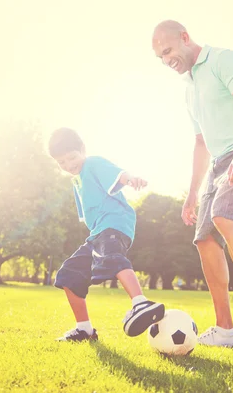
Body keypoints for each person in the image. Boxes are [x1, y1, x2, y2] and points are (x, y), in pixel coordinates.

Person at [151, 20, 233, 347]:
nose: (167, 60)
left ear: (184, 37)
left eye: (167, 51)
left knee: (224, 216)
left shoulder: (224, 59)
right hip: (220, 161)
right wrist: (191, 194)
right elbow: (200, 143)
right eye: (160, 58)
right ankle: (224, 328)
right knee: (205, 238)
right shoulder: (189, 89)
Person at [49, 127, 165, 341]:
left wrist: (130, 179)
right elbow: (88, 214)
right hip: (97, 233)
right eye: (61, 162)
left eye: (72, 157)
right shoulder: (75, 181)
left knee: (111, 257)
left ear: (82, 149)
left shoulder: (93, 163)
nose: (68, 165)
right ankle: (84, 329)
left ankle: (141, 303)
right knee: (68, 274)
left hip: (115, 223)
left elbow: (117, 174)